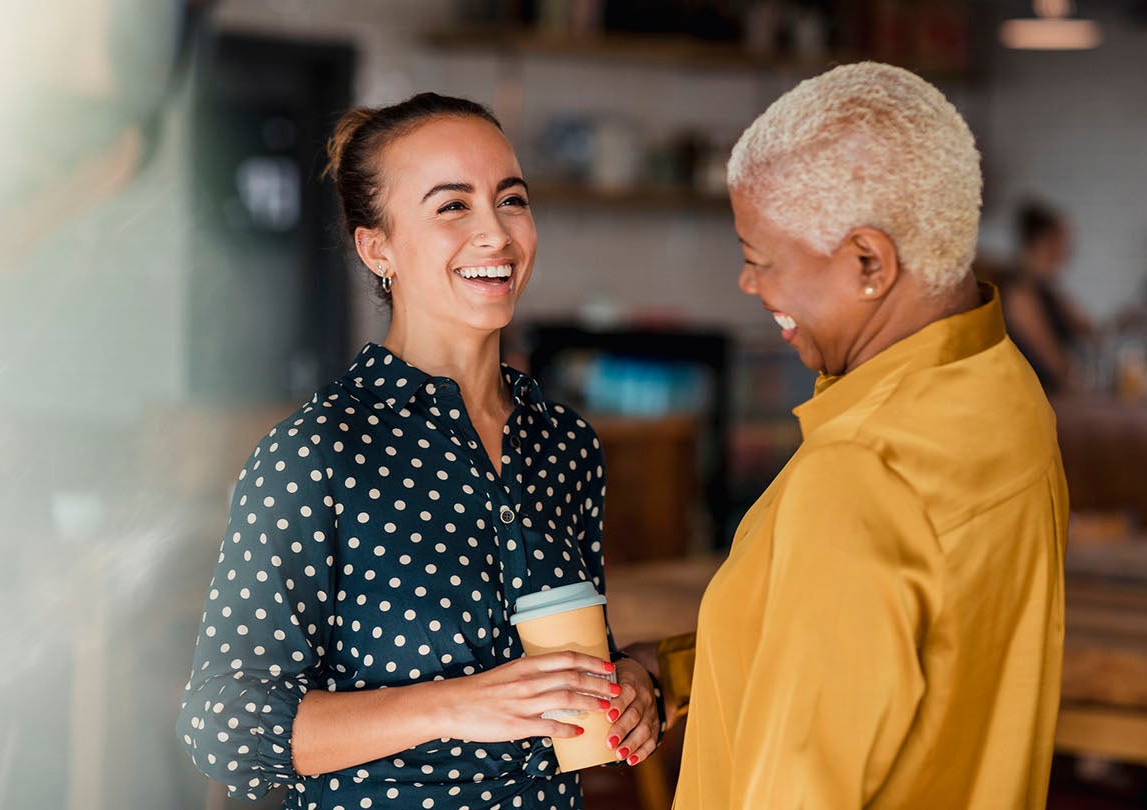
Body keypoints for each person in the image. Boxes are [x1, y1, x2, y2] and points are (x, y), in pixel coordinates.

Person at [176, 92, 661, 810]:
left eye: (511, 200)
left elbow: (576, 659)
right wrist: (454, 705)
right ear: (378, 248)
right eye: (452, 206)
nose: (495, 233)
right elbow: (224, 727)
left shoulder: (565, 444)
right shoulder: (318, 452)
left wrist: (636, 683)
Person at [634, 63, 1068, 808]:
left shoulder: (861, 472)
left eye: (759, 259)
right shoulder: (1003, 389)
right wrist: (678, 671)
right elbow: (892, 656)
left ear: (869, 262)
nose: (748, 285)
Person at [1000, 199, 1094, 393]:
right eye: (1062, 240)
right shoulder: (1021, 294)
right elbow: (1054, 362)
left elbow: (1089, 331)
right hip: (1032, 398)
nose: (1069, 249)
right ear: (1043, 241)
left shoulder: (1048, 290)